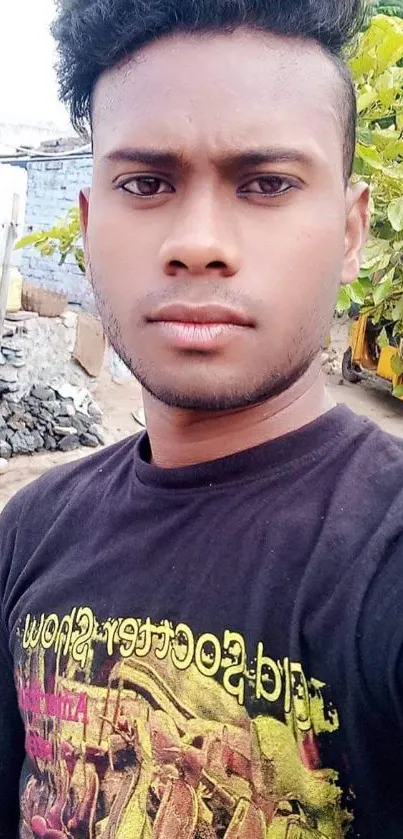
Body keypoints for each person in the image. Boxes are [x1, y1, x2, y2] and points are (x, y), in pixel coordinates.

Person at [3, 0, 403, 835]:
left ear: (349, 229)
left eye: (266, 184)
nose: (196, 240)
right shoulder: (28, 531)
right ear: (88, 224)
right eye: (145, 183)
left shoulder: (381, 559)